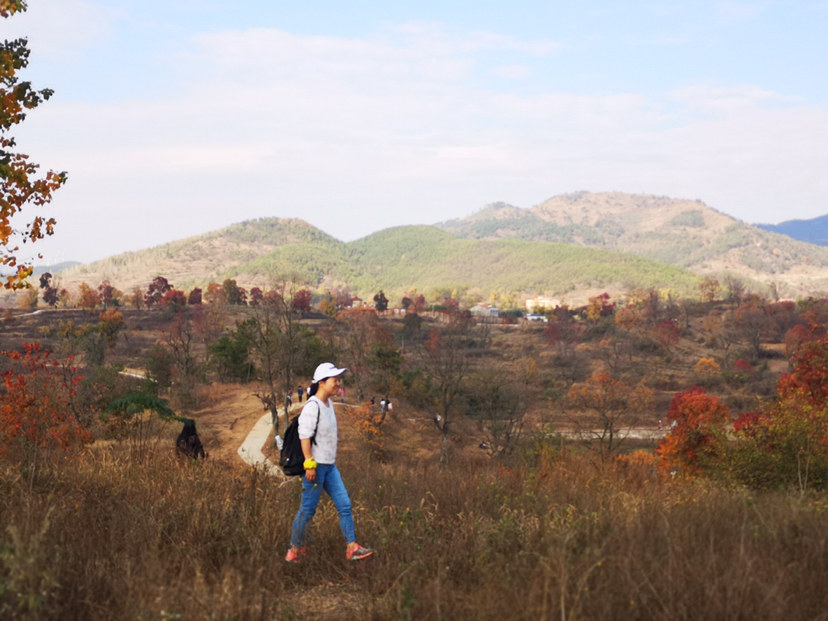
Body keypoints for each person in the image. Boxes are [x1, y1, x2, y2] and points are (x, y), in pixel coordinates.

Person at [286, 362, 374, 563]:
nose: (338, 384)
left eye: (338, 380)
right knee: (307, 511)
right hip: (315, 468)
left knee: (344, 505)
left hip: (330, 467)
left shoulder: (329, 404)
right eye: (335, 380)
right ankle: (294, 551)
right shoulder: (312, 406)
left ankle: (352, 547)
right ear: (322, 382)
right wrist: (309, 464)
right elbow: (304, 437)